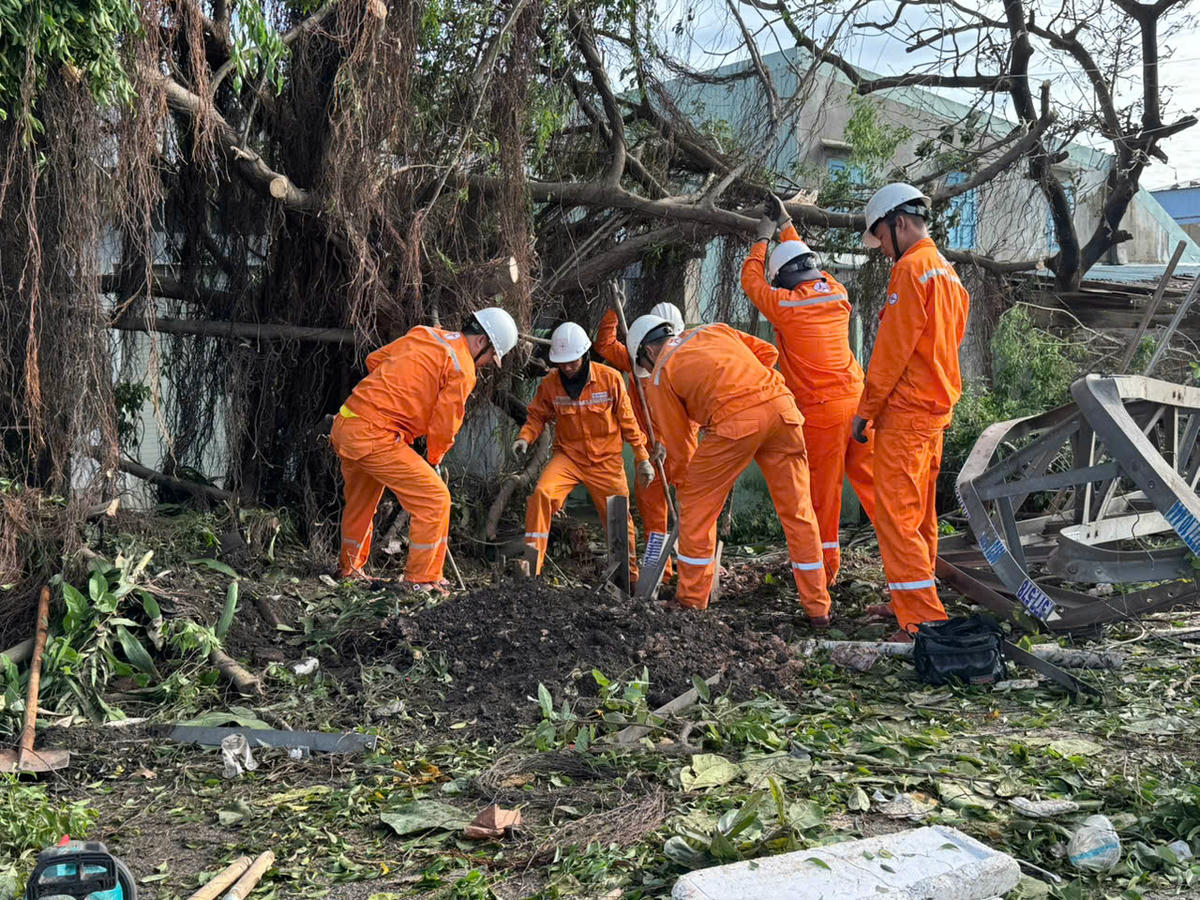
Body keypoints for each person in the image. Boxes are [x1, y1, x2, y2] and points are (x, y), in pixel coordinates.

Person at [627, 315, 831, 624]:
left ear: (649, 352)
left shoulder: (660, 373)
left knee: (696, 509)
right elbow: (767, 354)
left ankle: (691, 601)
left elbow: (681, 442)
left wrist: (686, 483)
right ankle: (818, 608)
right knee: (799, 512)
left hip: (735, 424)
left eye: (644, 362)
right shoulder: (713, 330)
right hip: (782, 409)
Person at [852, 183, 970, 640]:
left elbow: (891, 351)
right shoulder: (947, 273)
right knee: (920, 516)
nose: (882, 248)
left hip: (905, 414)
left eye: (880, 237)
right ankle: (913, 600)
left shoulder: (910, 269)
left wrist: (866, 409)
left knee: (897, 518)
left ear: (899, 223)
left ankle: (921, 619)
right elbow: (944, 346)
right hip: (935, 412)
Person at [330, 308, 518, 591]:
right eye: (492, 356)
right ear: (481, 342)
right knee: (435, 500)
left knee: (361, 504)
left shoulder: (425, 334)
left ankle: (350, 570)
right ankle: (422, 580)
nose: (489, 362)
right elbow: (445, 423)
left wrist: (402, 400)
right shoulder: (463, 367)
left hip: (347, 423)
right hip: (375, 435)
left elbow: (374, 360)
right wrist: (435, 457)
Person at [742, 195, 876, 586]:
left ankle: (826, 573)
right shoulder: (836, 293)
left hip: (823, 412)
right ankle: (907, 558)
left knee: (824, 495)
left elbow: (750, 281)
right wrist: (785, 226)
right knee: (872, 484)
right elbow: (803, 261)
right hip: (858, 401)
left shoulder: (785, 305)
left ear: (783, 279)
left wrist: (763, 239)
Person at [514, 321, 654, 583]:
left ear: (585, 355)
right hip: (568, 457)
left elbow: (628, 423)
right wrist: (525, 437)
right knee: (542, 495)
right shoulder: (551, 384)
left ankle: (629, 579)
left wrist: (642, 458)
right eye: (562, 363)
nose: (567, 368)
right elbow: (536, 416)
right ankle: (531, 572)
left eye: (572, 362)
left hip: (606, 462)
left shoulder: (610, 379)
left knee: (618, 517)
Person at [593, 302, 688, 575]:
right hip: (648, 451)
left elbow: (694, 413)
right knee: (654, 516)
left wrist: (668, 443)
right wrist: (613, 310)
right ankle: (660, 572)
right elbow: (606, 344)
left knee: (692, 512)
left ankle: (694, 575)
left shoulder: (688, 361)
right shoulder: (636, 363)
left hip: (681, 449)